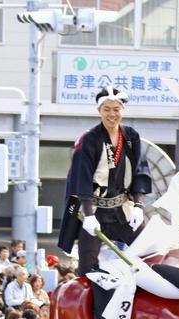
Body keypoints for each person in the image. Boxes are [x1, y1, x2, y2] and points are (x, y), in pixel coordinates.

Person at [59, 85, 151, 275]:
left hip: (123, 209)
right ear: (99, 110)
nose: (112, 114)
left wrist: (138, 206)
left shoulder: (131, 136)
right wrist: (88, 216)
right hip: (94, 210)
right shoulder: (90, 139)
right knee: (87, 268)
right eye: (107, 109)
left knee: (149, 255)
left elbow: (140, 171)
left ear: (123, 110)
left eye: (116, 109)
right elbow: (81, 178)